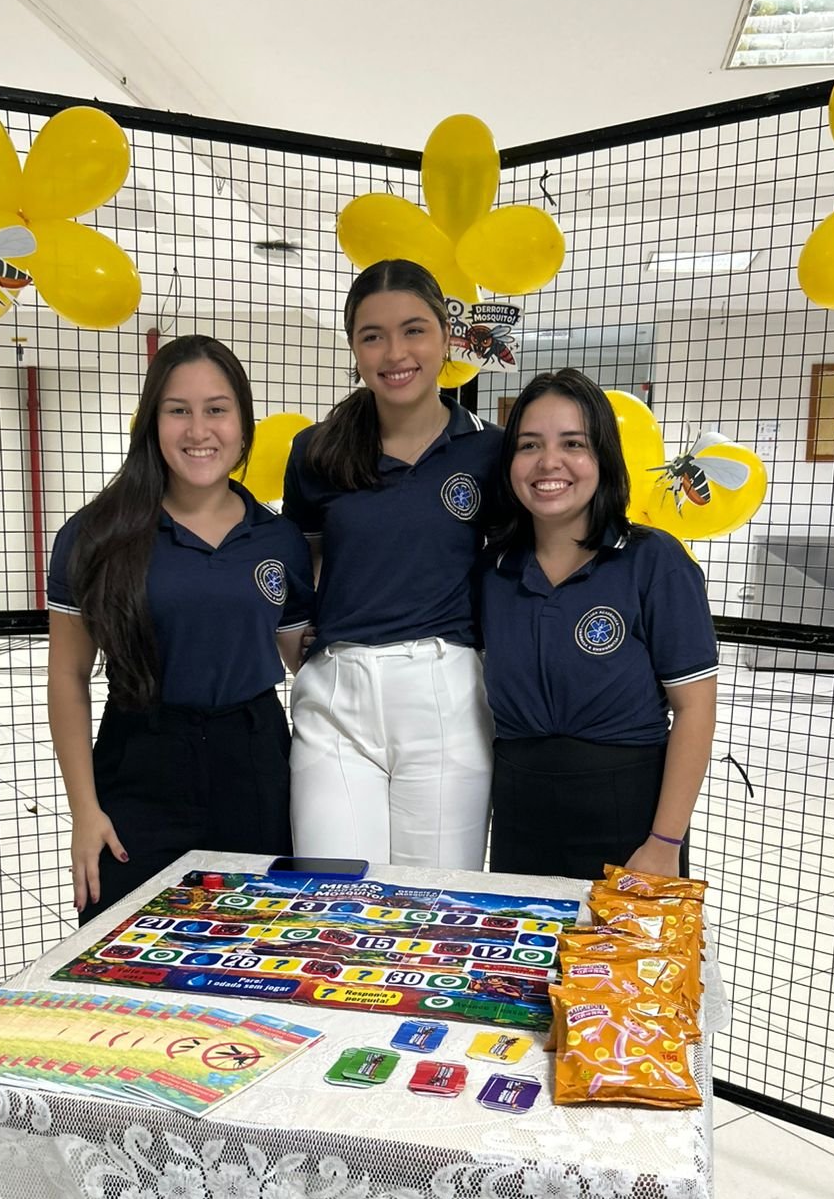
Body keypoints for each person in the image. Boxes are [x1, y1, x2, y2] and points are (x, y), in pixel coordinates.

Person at [47, 335, 313, 921]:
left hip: (254, 764)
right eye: (178, 410)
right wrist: (85, 811)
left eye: (216, 409)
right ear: (152, 421)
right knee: (127, 949)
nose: (199, 430)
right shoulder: (95, 535)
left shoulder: (278, 540)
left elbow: (306, 659)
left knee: (255, 943)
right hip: (141, 761)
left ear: (243, 424)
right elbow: (67, 676)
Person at [281, 259, 501, 868]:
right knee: (331, 893)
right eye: (372, 335)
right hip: (336, 694)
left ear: (446, 337)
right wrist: (292, 632)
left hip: (445, 693)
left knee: (435, 900)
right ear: (354, 348)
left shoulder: (490, 450)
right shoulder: (317, 450)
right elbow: (300, 559)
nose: (395, 353)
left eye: (413, 330)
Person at [479, 367, 717, 881]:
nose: (549, 462)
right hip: (520, 815)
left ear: (603, 456)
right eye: (529, 445)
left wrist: (664, 842)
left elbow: (695, 709)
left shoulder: (653, 562)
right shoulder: (493, 571)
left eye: (573, 443)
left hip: (629, 816)